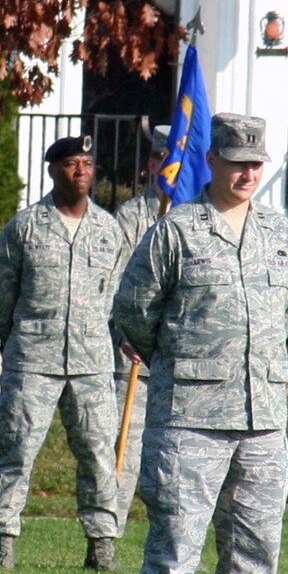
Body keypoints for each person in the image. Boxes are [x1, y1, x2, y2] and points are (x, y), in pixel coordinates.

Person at [113, 114, 288, 574]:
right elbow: (134, 311)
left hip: (262, 415)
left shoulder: (281, 234)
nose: (246, 172)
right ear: (212, 162)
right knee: (178, 534)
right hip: (190, 413)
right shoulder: (179, 230)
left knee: (256, 538)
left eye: (254, 162)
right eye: (235, 161)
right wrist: (180, 363)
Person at [0, 135, 125, 571]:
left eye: (86, 162)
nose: (80, 171)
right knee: (16, 448)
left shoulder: (109, 230)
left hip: (92, 364)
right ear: (52, 170)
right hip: (33, 361)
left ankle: (101, 543)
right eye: (70, 164)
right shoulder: (25, 227)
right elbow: (0, 297)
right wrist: (21, 339)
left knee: (99, 453)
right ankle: (3, 539)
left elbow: (118, 299)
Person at [109, 123, 170, 529]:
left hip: (181, 363)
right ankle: (107, 537)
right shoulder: (132, 218)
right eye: (171, 162)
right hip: (134, 358)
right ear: (154, 164)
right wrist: (122, 332)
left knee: (176, 461)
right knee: (125, 452)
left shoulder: (201, 219)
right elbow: (113, 282)